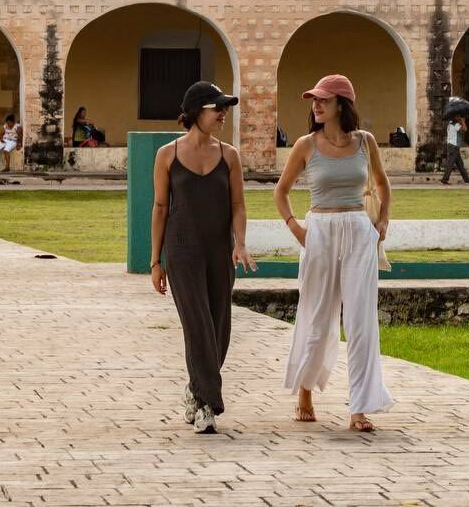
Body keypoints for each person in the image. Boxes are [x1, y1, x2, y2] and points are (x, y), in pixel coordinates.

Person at [274, 74, 395, 432]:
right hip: (320, 231)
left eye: (324, 100)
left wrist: (382, 221)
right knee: (316, 315)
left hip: (359, 230)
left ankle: (360, 406)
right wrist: (296, 227)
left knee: (361, 320)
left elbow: (381, 182)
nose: (316, 105)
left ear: (342, 104)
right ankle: (305, 390)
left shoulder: (365, 142)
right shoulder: (305, 145)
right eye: (314, 100)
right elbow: (280, 192)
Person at [150, 81, 256, 434]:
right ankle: (208, 405)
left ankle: (196, 391)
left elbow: (238, 204)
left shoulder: (229, 156)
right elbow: (161, 207)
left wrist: (240, 242)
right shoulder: (167, 155)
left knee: (219, 329)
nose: (224, 113)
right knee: (198, 327)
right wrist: (155, 261)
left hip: (218, 250)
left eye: (225, 107)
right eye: (217, 107)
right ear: (197, 111)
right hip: (181, 250)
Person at [441, 114, 469, 185]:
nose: (459, 117)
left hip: (452, 146)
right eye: (457, 116)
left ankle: (466, 179)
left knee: (460, 164)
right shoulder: (455, 125)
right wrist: (462, 121)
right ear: (455, 117)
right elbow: (465, 129)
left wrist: (460, 120)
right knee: (450, 163)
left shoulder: (450, 124)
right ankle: (444, 179)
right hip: (454, 146)